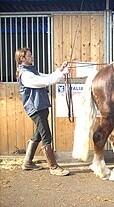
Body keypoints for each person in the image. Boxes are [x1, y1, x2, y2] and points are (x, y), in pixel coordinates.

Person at [15, 47, 70, 176]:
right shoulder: (26, 74)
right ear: (22, 58)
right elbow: (45, 81)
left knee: (38, 135)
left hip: (40, 106)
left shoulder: (31, 71)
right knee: (46, 136)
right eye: (29, 55)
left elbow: (47, 76)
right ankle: (53, 167)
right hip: (36, 108)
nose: (32, 56)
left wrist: (60, 70)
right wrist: (61, 74)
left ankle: (27, 163)